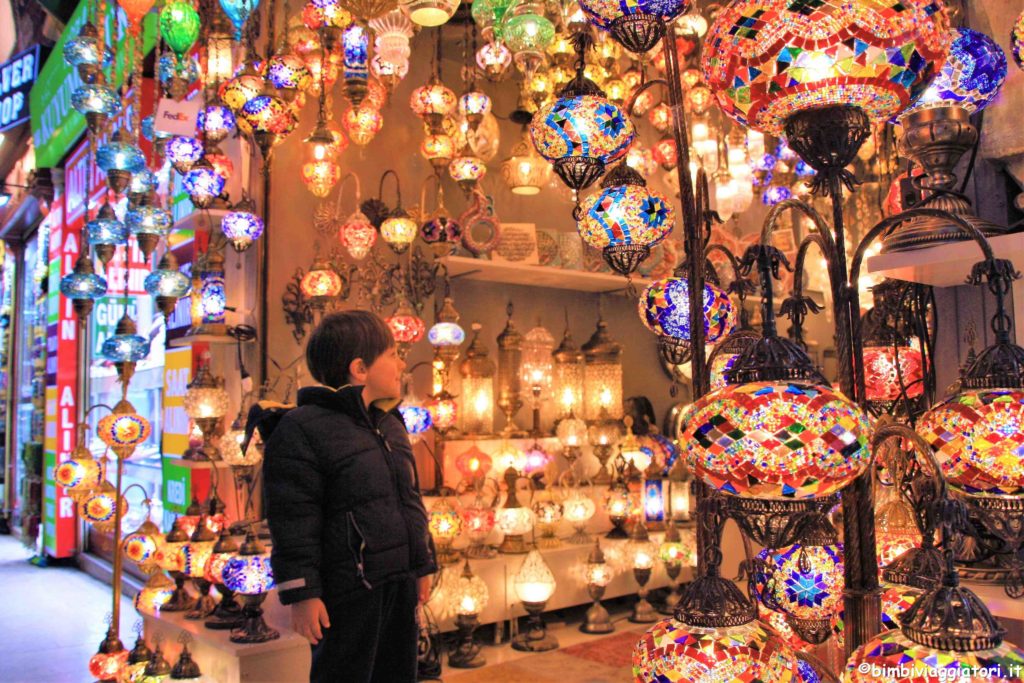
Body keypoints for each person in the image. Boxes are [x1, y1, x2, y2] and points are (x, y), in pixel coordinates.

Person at [263, 310, 437, 683]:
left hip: (398, 583)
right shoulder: (301, 428)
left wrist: (422, 563)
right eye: (392, 354)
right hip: (348, 592)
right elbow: (293, 519)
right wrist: (301, 593)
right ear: (360, 368)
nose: (401, 363)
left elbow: (410, 502)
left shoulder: (390, 424)